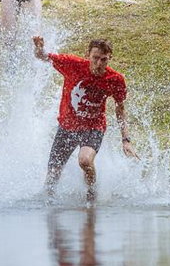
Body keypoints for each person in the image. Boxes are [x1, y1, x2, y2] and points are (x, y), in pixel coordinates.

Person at [33, 36, 138, 202]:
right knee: (52, 177)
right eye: (95, 58)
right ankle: (49, 211)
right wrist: (39, 49)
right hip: (67, 126)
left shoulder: (115, 79)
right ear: (87, 55)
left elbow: (120, 109)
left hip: (93, 126)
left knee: (85, 160)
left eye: (104, 60)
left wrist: (126, 139)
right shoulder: (73, 64)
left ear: (110, 58)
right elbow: (43, 56)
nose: (98, 64)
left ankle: (91, 196)